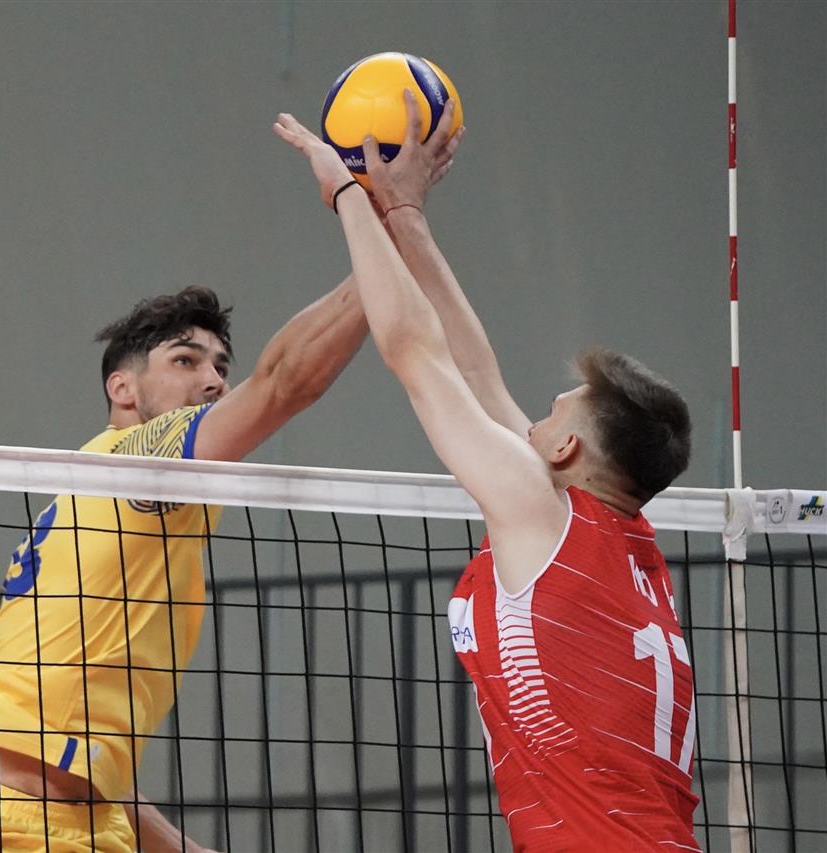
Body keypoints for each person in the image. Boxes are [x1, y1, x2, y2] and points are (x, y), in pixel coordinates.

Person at [274, 92, 699, 850]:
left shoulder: (544, 515)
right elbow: (476, 373)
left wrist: (347, 196)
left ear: (565, 452)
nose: (528, 424)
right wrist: (406, 217)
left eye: (550, 416)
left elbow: (415, 351)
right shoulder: (628, 550)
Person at [0, 283, 369, 852]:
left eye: (221, 367)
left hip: (97, 827)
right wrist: (384, 250)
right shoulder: (139, 460)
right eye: (185, 360)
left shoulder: (112, 496)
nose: (213, 381)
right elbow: (285, 383)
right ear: (123, 388)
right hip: (10, 832)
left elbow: (86, 768)